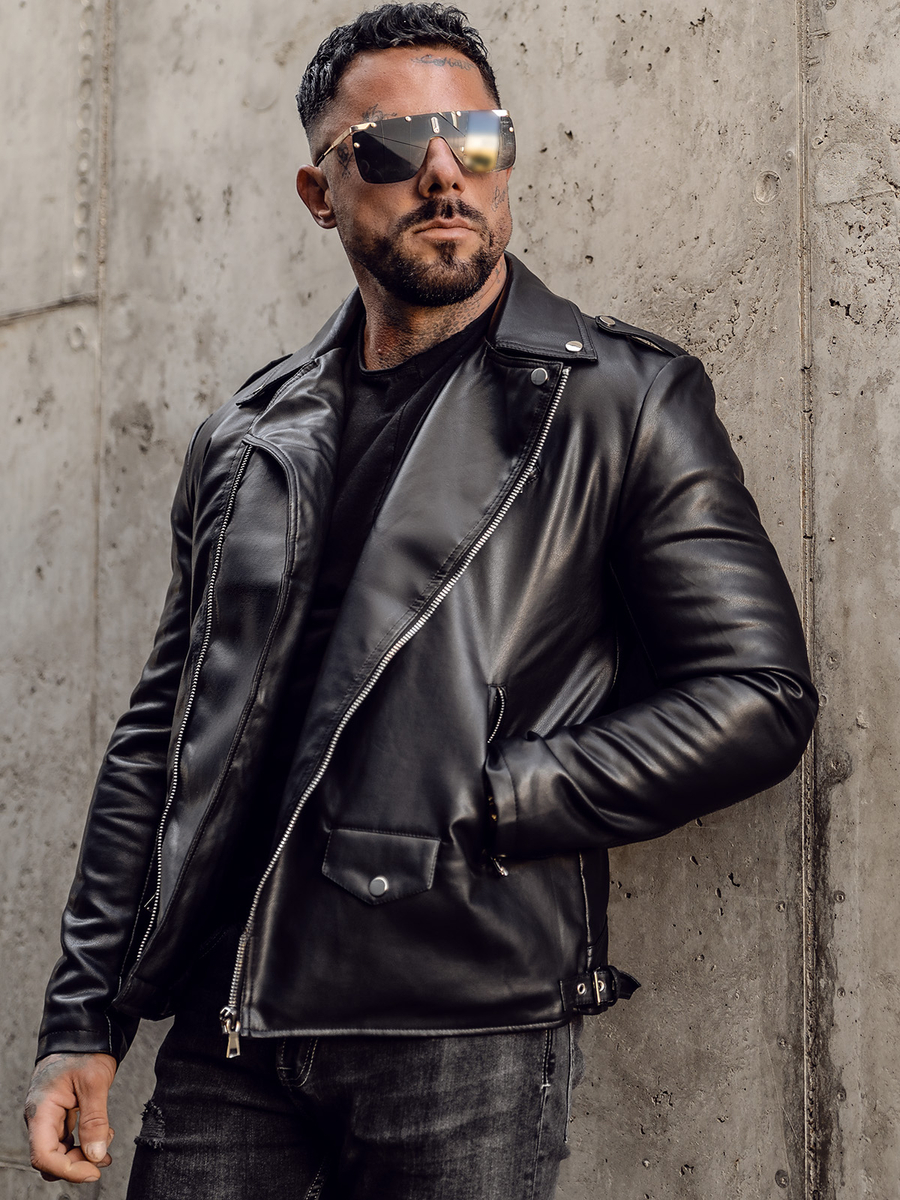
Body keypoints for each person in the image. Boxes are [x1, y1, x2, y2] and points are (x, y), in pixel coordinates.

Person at [25, 4, 818, 1197]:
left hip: (463, 1025)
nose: (445, 176)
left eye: (477, 141)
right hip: (229, 1021)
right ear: (320, 191)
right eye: (395, 147)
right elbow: (161, 740)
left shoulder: (621, 399)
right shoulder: (247, 436)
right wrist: (82, 1019)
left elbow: (758, 696)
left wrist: (492, 797)